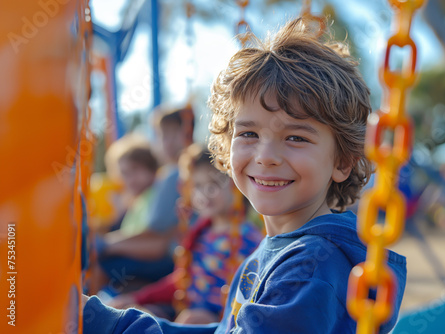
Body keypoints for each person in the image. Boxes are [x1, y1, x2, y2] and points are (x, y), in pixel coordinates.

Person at [83, 18, 407, 333]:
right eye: (249, 134)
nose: (265, 157)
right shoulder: (278, 250)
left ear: (343, 162)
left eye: (296, 138)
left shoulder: (310, 269)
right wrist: (108, 322)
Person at [106, 144, 262, 324]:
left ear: (236, 183)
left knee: (189, 319)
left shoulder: (248, 239)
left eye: (213, 184)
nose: (204, 194)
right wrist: (137, 299)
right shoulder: (200, 233)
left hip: (221, 323)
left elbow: (253, 298)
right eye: (197, 186)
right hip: (186, 314)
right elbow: (183, 280)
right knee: (133, 315)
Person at [89, 108, 196, 295]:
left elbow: (155, 236)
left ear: (187, 133)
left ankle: (88, 309)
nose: (166, 143)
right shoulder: (164, 179)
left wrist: (107, 244)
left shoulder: (175, 175)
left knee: (102, 264)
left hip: (172, 257)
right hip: (171, 253)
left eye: (173, 134)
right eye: (162, 136)